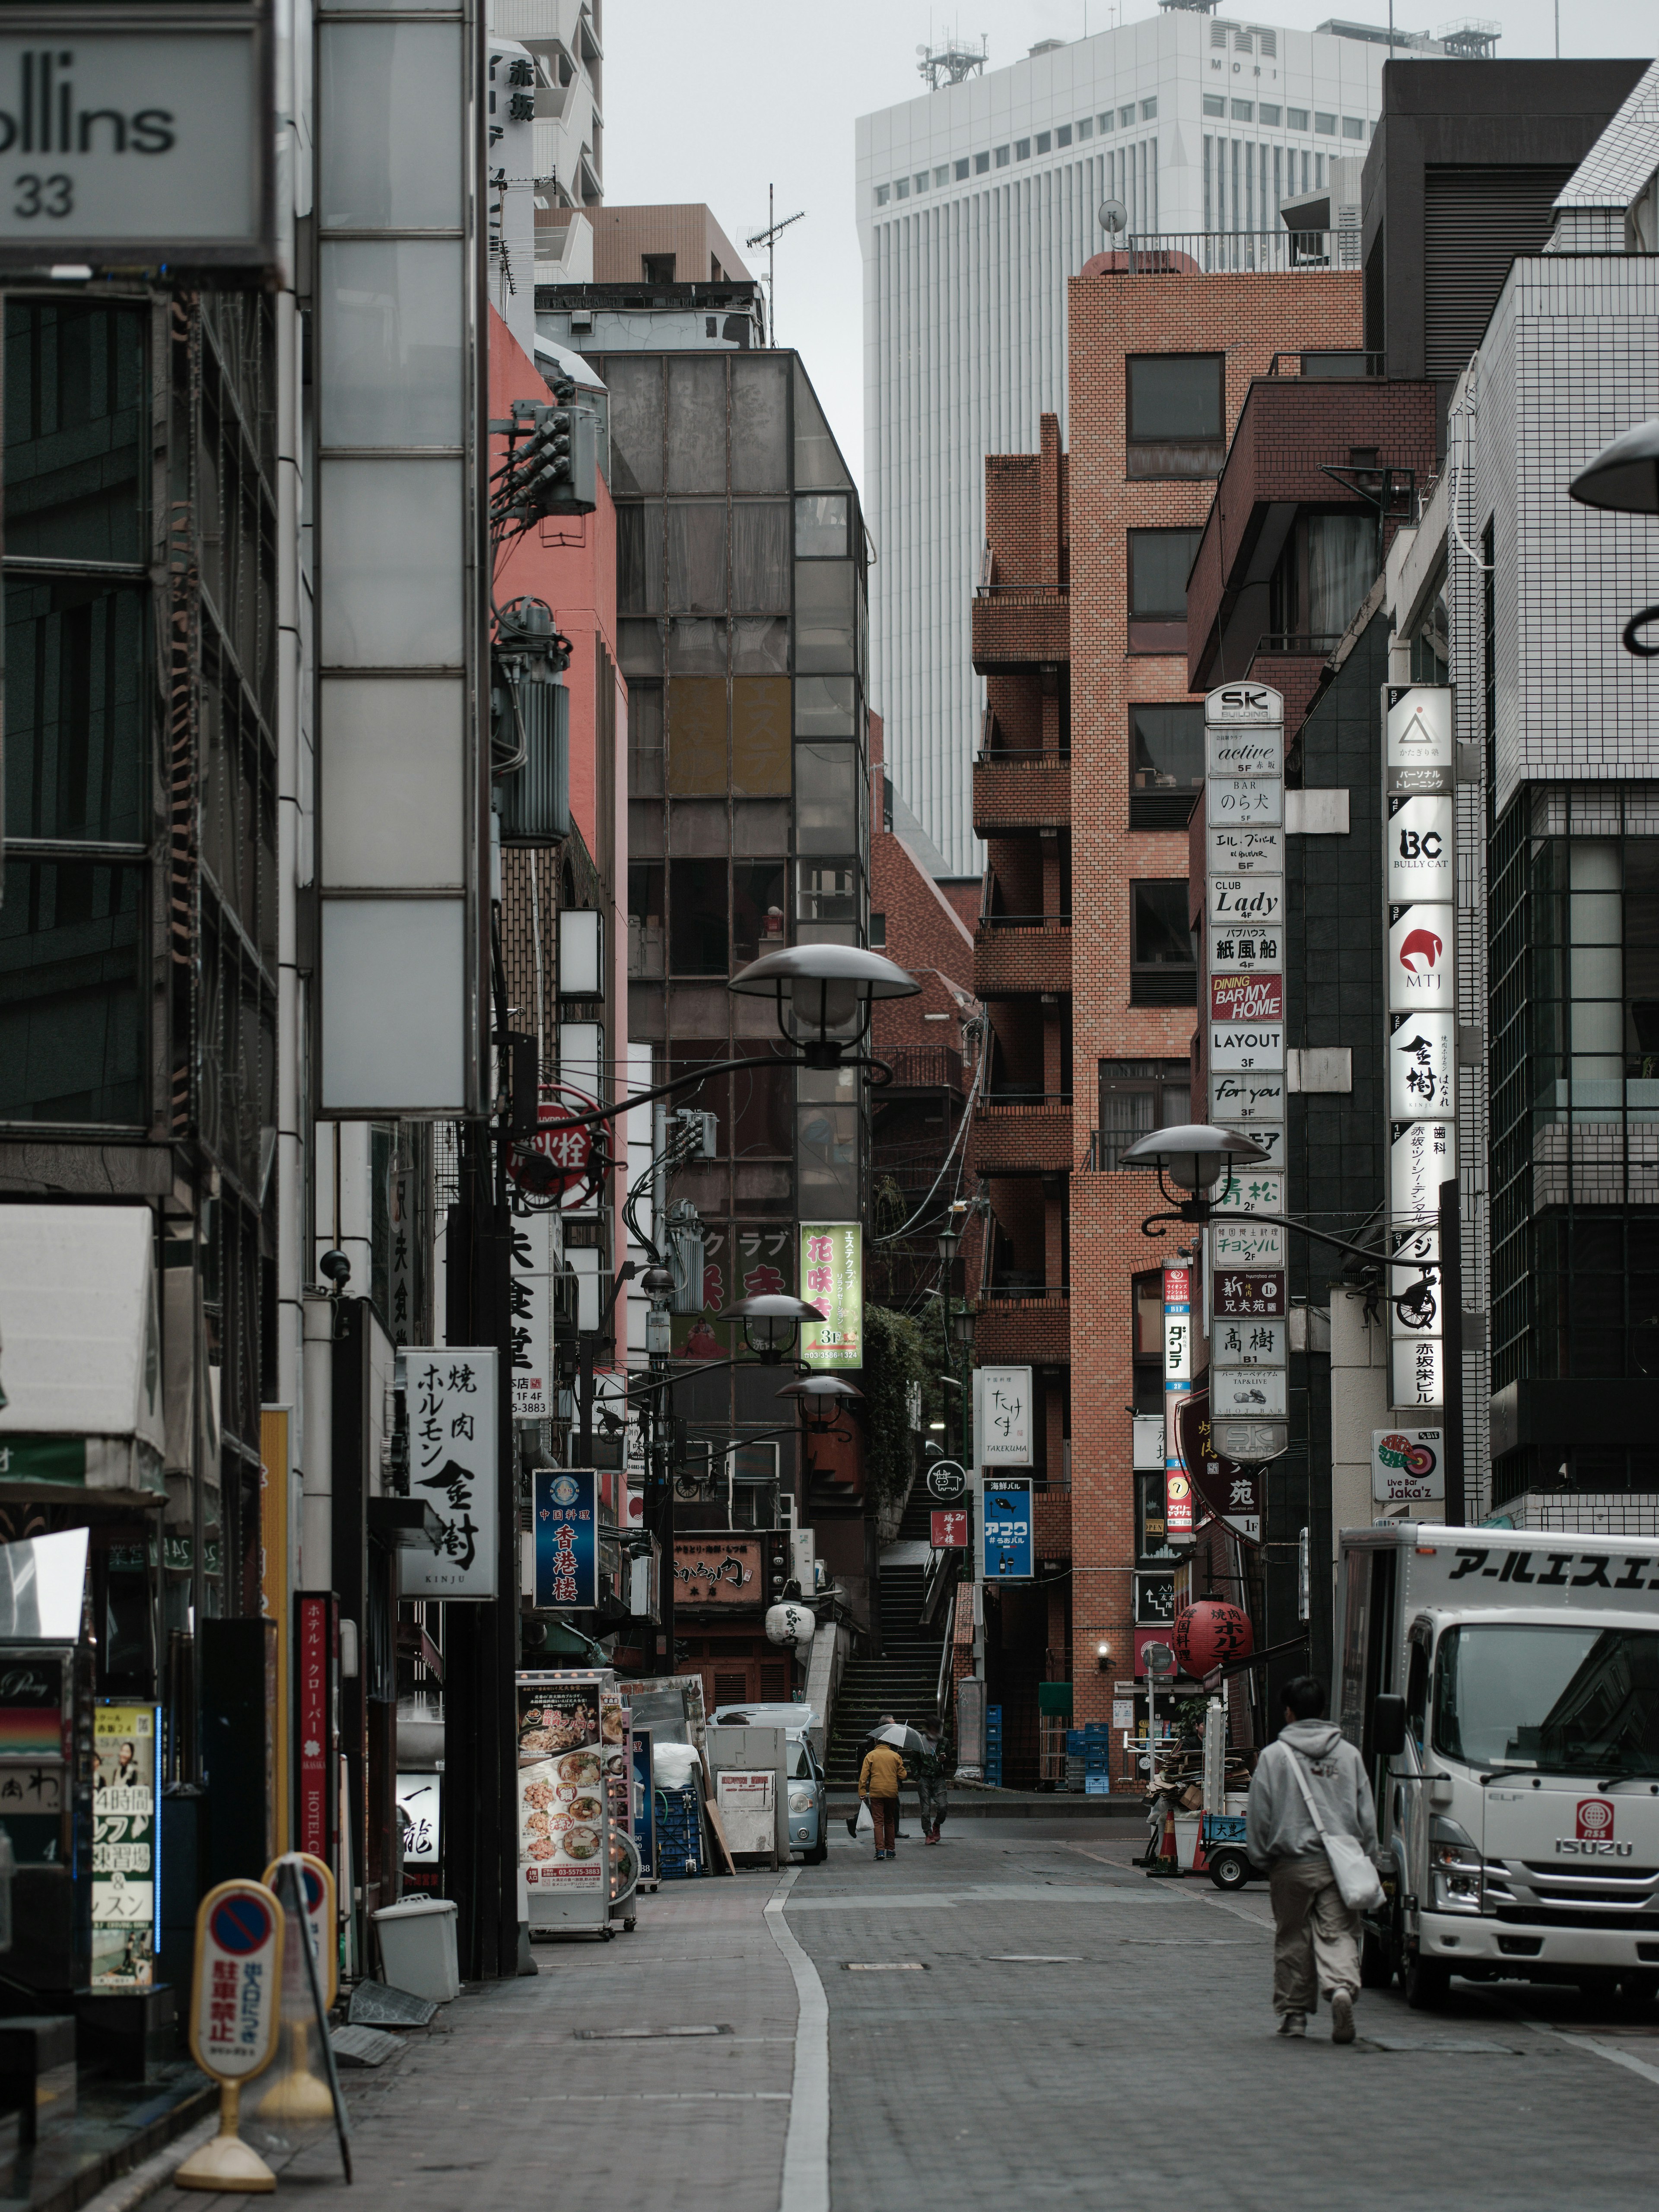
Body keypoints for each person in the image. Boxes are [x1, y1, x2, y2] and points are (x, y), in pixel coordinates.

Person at [1245, 1674, 1379, 2045]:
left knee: (1293, 1938)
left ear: (1288, 1713)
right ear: (1322, 1711)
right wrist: (1369, 1856)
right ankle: (1340, 1988)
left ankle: (1294, 2017)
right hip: (1339, 1863)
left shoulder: (1274, 1757)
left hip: (1289, 1863)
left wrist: (1260, 1857)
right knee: (1338, 1933)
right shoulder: (1348, 1755)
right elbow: (1366, 1814)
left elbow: (1259, 1814)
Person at [858, 1734, 907, 1860]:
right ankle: (891, 1850)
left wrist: (862, 1792)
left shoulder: (871, 1756)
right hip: (892, 1793)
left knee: (879, 1822)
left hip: (876, 1792)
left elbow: (864, 1776)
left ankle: (880, 1851)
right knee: (890, 1821)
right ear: (889, 1743)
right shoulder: (896, 1756)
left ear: (876, 1742)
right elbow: (903, 1776)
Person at [915, 1724, 950, 1843]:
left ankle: (937, 1825)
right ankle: (928, 1834)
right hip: (925, 1778)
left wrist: (945, 1760)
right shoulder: (921, 1742)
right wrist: (917, 1778)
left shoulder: (944, 1742)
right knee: (925, 1808)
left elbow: (950, 1758)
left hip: (939, 1777)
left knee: (943, 1806)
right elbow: (914, 1760)